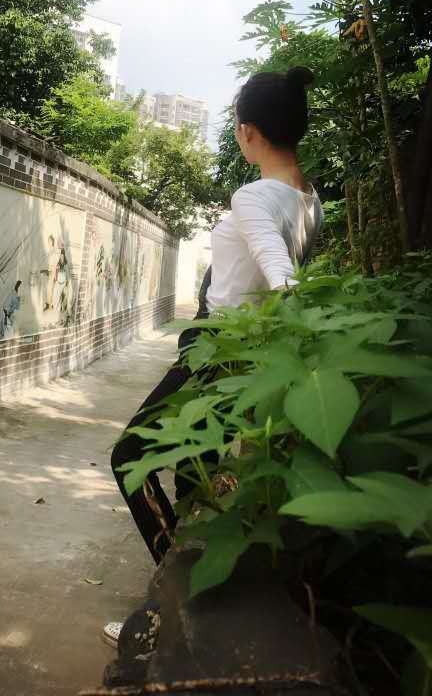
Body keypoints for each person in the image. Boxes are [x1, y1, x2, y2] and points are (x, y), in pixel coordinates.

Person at [103, 66, 323, 646]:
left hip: (215, 352)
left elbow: (281, 276)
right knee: (193, 481)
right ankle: (184, 617)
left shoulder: (253, 196)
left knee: (130, 458)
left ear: (249, 132)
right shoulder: (310, 200)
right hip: (247, 358)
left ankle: (174, 610)